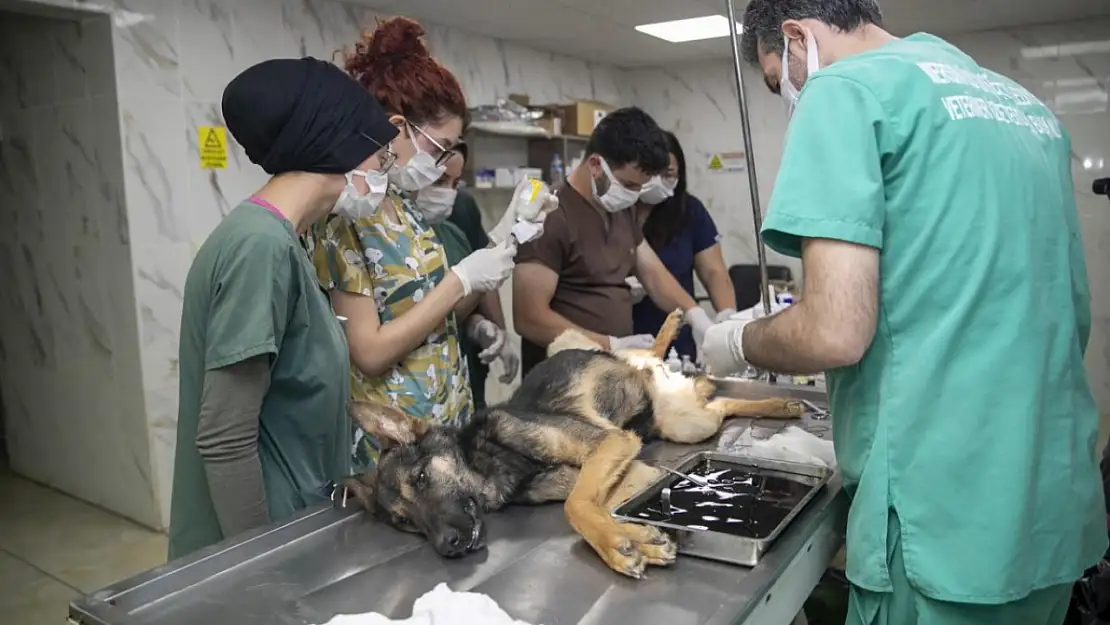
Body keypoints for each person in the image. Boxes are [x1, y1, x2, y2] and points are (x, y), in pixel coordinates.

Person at [702, 1, 1105, 622]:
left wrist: (738, 341)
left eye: (776, 76)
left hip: (942, 521)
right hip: (1050, 504)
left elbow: (833, 329)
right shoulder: (1021, 106)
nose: (788, 92)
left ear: (796, 36)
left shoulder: (843, 92)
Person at [169, 57, 400, 559]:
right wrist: (261, 567)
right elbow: (225, 437)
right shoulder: (259, 246)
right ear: (340, 144)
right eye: (380, 155)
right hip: (260, 541)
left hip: (298, 519)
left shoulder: (285, 239)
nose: (384, 172)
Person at [311, 16, 515, 472]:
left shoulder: (402, 206)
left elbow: (428, 316)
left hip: (447, 428)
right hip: (396, 450)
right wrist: (460, 281)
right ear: (398, 127)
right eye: (440, 147)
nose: (445, 163)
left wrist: (500, 250)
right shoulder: (347, 216)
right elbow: (370, 352)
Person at [513, 107, 715, 377]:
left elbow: (653, 274)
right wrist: (609, 345)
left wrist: (695, 316)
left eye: (639, 188)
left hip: (610, 377)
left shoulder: (621, 208)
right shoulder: (550, 215)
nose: (634, 196)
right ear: (596, 165)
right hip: (562, 381)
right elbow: (529, 318)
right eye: (628, 185)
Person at [418, 145, 520, 407]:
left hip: (459, 379)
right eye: (440, 180)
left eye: (455, 183)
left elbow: (474, 292)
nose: (448, 193)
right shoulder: (388, 237)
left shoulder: (455, 234)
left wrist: (484, 327)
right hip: (416, 383)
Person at [632, 130, 737, 360]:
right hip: (626, 337)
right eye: (651, 173)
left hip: (677, 343)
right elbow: (651, 274)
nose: (658, 181)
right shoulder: (619, 211)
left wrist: (727, 318)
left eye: (668, 174)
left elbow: (714, 272)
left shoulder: (689, 211)